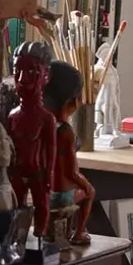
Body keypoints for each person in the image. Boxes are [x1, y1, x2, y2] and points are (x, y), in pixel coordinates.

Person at [8, 41, 57, 237]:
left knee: (41, 205)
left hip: (38, 174)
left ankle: (39, 236)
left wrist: (49, 176)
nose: (22, 79)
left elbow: (51, 150)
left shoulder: (46, 119)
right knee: (15, 207)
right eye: (17, 71)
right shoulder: (12, 116)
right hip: (16, 173)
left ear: (46, 76)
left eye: (32, 72)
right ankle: (16, 237)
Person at [43, 60, 95, 244]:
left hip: (46, 189)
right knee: (90, 193)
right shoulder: (66, 132)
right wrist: (85, 184)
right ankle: (79, 233)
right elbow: (71, 173)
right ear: (74, 101)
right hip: (62, 194)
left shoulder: (46, 127)